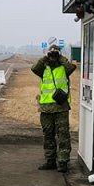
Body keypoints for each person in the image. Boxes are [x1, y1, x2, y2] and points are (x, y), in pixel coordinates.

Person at [31, 43, 76, 172]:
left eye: (56, 52)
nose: (53, 55)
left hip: (61, 107)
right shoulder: (44, 67)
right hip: (46, 107)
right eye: (52, 52)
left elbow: (71, 68)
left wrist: (60, 56)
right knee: (48, 135)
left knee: (63, 135)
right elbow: (34, 68)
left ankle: (63, 161)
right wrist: (46, 57)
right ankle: (50, 160)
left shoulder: (64, 67)